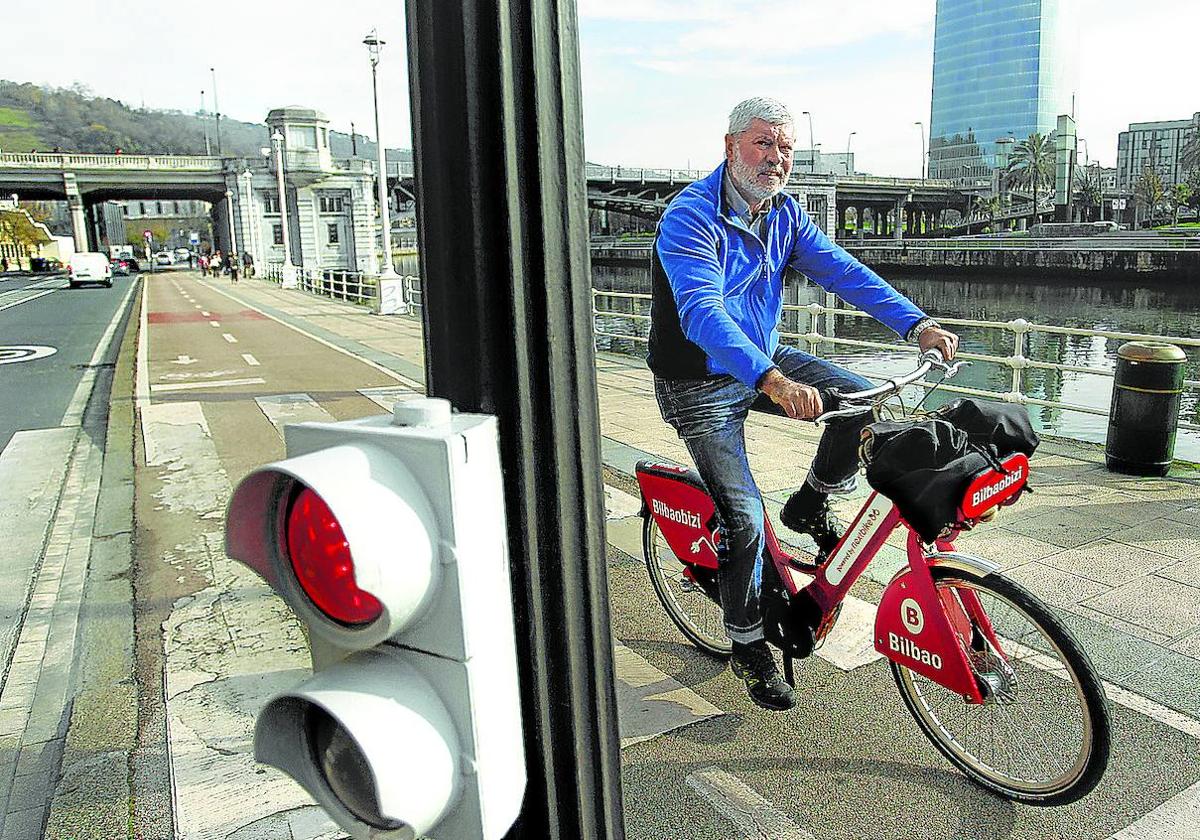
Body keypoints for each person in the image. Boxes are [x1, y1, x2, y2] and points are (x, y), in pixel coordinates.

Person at [648, 97, 958, 712]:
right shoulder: (690, 217)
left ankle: (810, 503)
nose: (776, 158)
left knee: (858, 403)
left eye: (785, 147)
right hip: (698, 382)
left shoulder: (784, 215)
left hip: (763, 357)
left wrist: (914, 324)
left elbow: (844, 272)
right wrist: (772, 381)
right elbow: (703, 311)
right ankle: (747, 644)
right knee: (740, 514)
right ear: (730, 146)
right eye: (764, 144)